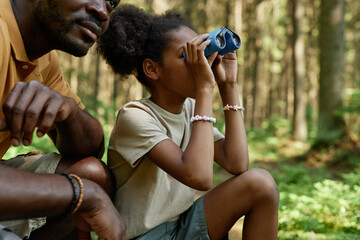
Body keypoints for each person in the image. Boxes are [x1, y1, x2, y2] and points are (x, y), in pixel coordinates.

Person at [97, 4, 279, 240]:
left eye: (201, 54)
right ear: (152, 69)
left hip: (181, 226)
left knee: (260, 183)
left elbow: (237, 163)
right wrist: (205, 87)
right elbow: (199, 177)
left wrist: (229, 86)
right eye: (188, 56)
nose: (200, 64)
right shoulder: (135, 115)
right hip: (145, 236)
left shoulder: (190, 109)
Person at [0, 0, 125, 239]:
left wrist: (69, 112)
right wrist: (79, 193)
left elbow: (91, 148)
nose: (102, 11)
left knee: (92, 175)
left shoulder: (44, 62)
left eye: (111, 2)